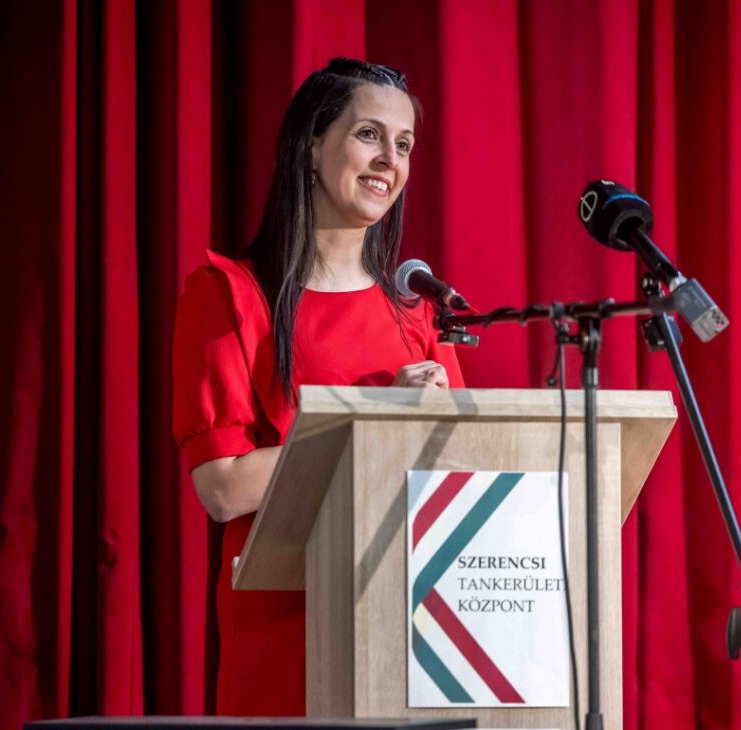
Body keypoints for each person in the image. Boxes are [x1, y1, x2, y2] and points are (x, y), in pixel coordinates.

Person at [172, 58, 464, 715]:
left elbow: (457, 486)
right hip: (285, 640)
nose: (389, 158)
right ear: (311, 144)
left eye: (405, 144)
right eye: (368, 134)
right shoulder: (230, 296)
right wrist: (376, 419)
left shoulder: (420, 316)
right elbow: (222, 487)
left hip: (412, 638)